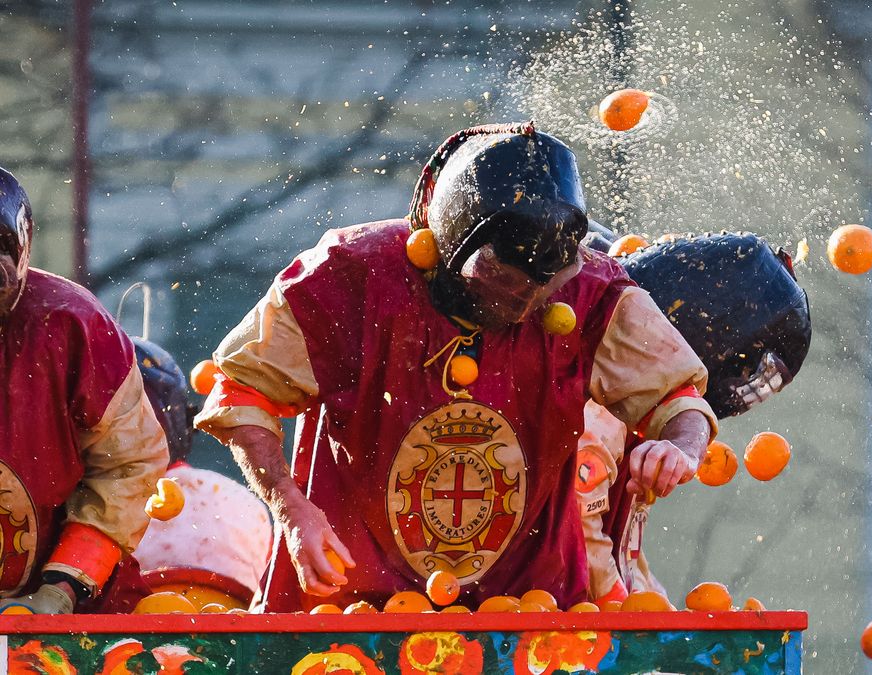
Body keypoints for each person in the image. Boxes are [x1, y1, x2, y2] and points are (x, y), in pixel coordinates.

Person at [194, 122, 718, 612]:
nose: (523, 304)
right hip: (348, 608)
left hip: (528, 616)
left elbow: (678, 401)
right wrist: (289, 507)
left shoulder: (595, 297)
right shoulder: (349, 277)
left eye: (544, 290)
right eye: (504, 283)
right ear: (449, 245)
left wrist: (681, 447)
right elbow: (241, 390)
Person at [576, 229, 812, 601]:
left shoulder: (636, 420)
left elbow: (621, 553)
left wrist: (659, 611)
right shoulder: (601, 414)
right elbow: (580, 532)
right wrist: (632, 623)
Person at [0, 167, 169, 614]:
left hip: (74, 612)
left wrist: (61, 589)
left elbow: (130, 465)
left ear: (18, 255)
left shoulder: (73, 325)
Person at [130, 339, 272, 611]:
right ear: (186, 420)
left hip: (124, 646)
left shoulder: (100, 509)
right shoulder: (245, 502)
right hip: (238, 644)